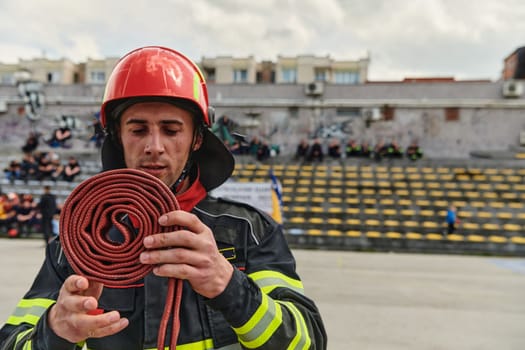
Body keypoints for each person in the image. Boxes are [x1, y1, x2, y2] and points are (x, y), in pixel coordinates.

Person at [0, 46, 327, 349]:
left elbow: (307, 342)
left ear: (197, 138)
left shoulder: (249, 232)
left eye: (171, 130)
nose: (154, 146)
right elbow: (13, 341)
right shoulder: (76, 243)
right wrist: (55, 331)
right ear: (117, 137)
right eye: (138, 129)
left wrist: (229, 285)